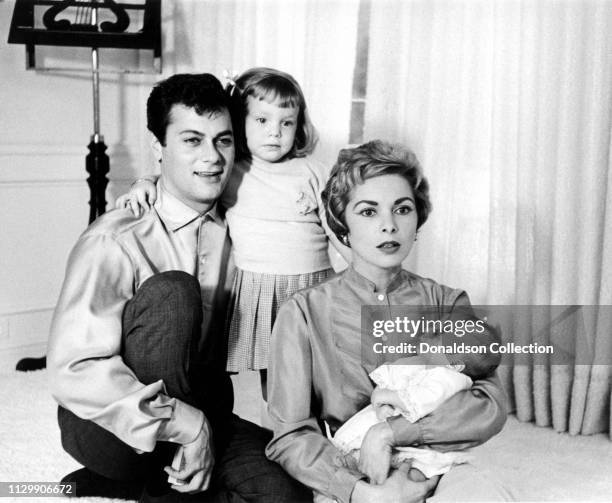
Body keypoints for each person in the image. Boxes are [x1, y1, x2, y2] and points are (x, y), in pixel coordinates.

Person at [47, 73, 310, 503]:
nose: (212, 157)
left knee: (286, 493)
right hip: (109, 423)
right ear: (159, 149)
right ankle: (142, 476)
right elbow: (72, 371)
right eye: (192, 140)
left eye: (223, 141)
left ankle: (150, 485)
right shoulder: (116, 238)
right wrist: (188, 426)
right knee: (174, 292)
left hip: (205, 406)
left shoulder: (243, 227)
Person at [265, 140, 513, 503]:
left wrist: (391, 432)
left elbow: (487, 406)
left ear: (417, 220)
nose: (389, 226)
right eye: (368, 212)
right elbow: (290, 437)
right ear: (342, 223)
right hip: (353, 471)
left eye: (402, 209)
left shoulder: (448, 301)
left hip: (438, 465)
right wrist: (362, 493)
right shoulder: (301, 312)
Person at [117, 67, 350, 400]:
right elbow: (178, 178)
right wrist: (143, 183)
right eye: (262, 121)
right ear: (240, 122)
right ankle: (280, 435)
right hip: (262, 286)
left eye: (286, 122)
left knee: (322, 372)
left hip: (310, 284)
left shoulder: (312, 170)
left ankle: (330, 429)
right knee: (277, 376)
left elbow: (337, 226)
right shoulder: (232, 168)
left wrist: (359, 272)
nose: (275, 133)